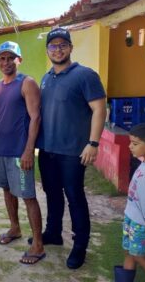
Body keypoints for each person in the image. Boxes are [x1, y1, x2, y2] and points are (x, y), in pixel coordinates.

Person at [35, 27, 106, 269]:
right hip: (48, 149)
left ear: (70, 48)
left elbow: (99, 109)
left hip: (73, 152)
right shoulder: (46, 78)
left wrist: (93, 143)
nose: (58, 49)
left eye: (62, 45)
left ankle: (79, 246)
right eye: (53, 46)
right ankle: (53, 232)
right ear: (47, 50)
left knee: (75, 197)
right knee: (52, 194)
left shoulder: (85, 75)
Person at [0, 41, 45, 264]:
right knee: (7, 190)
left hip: (19, 152)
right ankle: (15, 228)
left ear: (19, 60)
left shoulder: (27, 83)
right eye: (2, 58)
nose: (6, 62)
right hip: (0, 149)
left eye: (11, 58)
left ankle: (38, 245)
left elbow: (36, 117)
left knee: (28, 196)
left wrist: (29, 150)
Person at [114, 123, 145, 281]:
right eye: (130, 142)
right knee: (129, 252)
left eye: (135, 144)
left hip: (143, 223)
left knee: (139, 257)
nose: (130, 146)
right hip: (131, 217)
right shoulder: (144, 163)